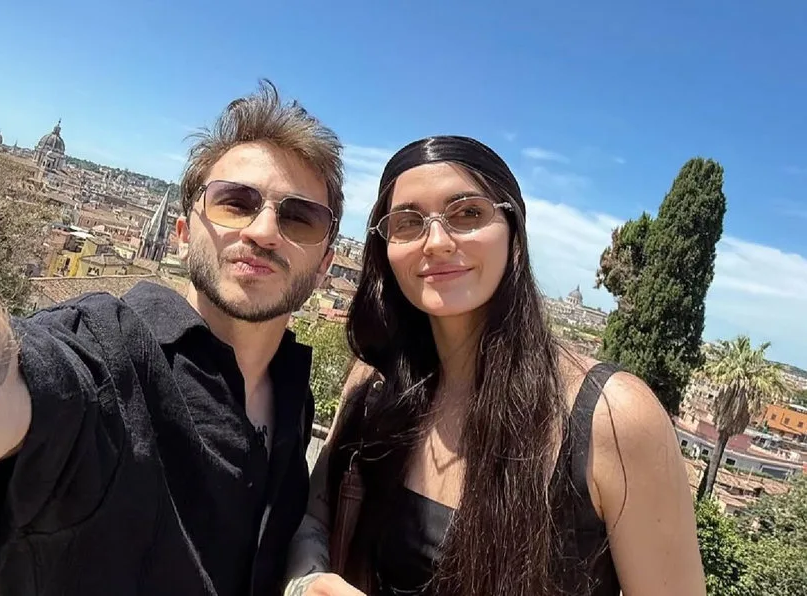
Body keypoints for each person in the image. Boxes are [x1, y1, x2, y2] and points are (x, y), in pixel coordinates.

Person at [0, 80, 344, 596]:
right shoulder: (105, 357)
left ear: (325, 266)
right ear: (182, 235)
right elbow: (8, 372)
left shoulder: (295, 399)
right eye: (234, 202)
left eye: (299, 218)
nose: (264, 230)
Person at [283, 135, 707, 595]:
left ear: (513, 231)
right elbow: (315, 518)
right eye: (407, 222)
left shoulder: (613, 417)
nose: (436, 242)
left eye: (467, 213)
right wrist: (309, 583)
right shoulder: (376, 382)